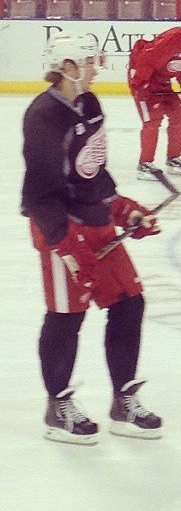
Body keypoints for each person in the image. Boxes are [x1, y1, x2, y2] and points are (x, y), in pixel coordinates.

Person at [21, 31, 162, 445]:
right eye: (89, 61)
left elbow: (93, 172)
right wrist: (63, 243)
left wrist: (124, 209)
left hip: (97, 224)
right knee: (67, 317)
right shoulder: (43, 116)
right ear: (67, 68)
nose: (97, 67)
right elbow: (40, 192)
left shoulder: (90, 103)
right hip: (59, 228)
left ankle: (123, 401)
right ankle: (57, 406)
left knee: (129, 304)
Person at [128, 13, 181, 179]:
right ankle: (144, 163)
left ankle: (173, 158)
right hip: (143, 78)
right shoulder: (172, 38)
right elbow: (145, 59)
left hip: (162, 80)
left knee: (179, 114)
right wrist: (141, 84)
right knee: (152, 119)